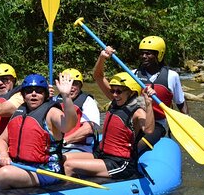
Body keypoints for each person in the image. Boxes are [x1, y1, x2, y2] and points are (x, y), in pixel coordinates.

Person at [63, 47, 155, 180]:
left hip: (120, 162)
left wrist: (148, 103)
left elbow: (149, 129)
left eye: (119, 91)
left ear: (131, 93)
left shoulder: (138, 111)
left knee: (69, 165)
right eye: (113, 90)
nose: (115, 94)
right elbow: (98, 77)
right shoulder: (115, 101)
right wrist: (102, 57)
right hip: (102, 154)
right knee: (62, 158)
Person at [0, 73, 78, 192]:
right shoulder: (19, 112)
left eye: (39, 91)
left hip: (47, 170)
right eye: (29, 91)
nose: (34, 94)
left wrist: (66, 97)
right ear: (23, 95)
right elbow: (2, 140)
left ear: (45, 94)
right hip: (19, 164)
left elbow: (68, 125)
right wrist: (4, 154)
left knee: (5, 174)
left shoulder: (52, 112)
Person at [134, 36, 188, 150]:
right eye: (142, 53)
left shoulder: (172, 76)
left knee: (141, 144)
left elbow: (180, 102)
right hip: (136, 120)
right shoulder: (133, 74)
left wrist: (187, 122)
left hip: (158, 123)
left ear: (159, 55)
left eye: (148, 54)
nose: (144, 57)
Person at [54, 68, 101, 154]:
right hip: (56, 146)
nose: (70, 87)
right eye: (67, 83)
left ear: (80, 86)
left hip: (79, 147)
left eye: (74, 84)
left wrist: (64, 141)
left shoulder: (88, 101)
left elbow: (88, 129)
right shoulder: (53, 100)